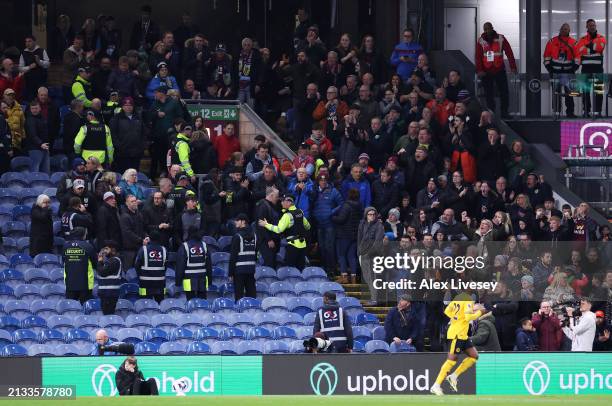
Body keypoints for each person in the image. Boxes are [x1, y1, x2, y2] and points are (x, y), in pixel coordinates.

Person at [430, 295, 483, 396]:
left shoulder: (457, 299)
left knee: (474, 356)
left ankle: (454, 376)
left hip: (463, 335)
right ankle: (436, 385)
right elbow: (468, 317)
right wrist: (480, 312)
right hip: (456, 334)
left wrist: (456, 317)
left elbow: (447, 311)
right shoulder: (468, 300)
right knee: (451, 360)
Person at [475, 22, 517, 119]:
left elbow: (509, 52)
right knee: (489, 93)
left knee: (504, 92)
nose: (487, 31)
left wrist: (513, 67)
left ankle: (504, 112)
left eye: (488, 28)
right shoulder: (480, 41)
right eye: (485, 29)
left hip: (499, 69)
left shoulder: (501, 38)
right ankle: (491, 113)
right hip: (486, 71)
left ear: (492, 28)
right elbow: (478, 57)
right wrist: (480, 70)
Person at [259, 195, 311, 270]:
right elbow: (308, 226)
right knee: (300, 271)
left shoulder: (287, 216)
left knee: (289, 271)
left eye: (283, 201)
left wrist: (266, 225)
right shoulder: (300, 212)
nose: (281, 203)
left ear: (289, 202)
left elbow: (279, 230)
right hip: (303, 245)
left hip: (293, 246)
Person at [543, 23, 579, 117]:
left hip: (568, 72)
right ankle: (556, 112)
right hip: (555, 72)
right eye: (563, 29)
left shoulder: (574, 42)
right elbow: (546, 56)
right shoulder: (552, 41)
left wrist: (574, 68)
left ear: (569, 30)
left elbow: (578, 58)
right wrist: (549, 68)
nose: (564, 30)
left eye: (566, 29)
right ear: (560, 30)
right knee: (556, 93)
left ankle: (570, 113)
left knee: (570, 94)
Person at [577, 19, 606, 116]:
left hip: (598, 69)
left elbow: (600, 47)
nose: (592, 27)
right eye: (590, 25)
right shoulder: (582, 39)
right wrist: (593, 48)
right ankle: (586, 111)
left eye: (593, 25)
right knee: (585, 91)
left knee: (599, 91)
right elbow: (580, 50)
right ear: (587, 27)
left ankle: (598, 112)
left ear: (595, 26)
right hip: (585, 69)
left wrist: (587, 48)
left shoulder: (601, 37)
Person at [175, 227, 211, 300]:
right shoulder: (204, 245)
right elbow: (209, 264)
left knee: (190, 301)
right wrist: (210, 280)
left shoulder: (184, 246)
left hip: (189, 278)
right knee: (202, 302)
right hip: (202, 277)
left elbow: (180, 265)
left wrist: (178, 281)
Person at [109, 97, 144, 174]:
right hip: (121, 153)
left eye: (130, 105)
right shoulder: (116, 119)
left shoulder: (138, 117)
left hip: (136, 153)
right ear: (122, 106)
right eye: (126, 105)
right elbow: (113, 135)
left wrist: (141, 147)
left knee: (134, 174)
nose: (128, 107)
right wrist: (119, 147)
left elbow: (143, 133)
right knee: (122, 175)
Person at [62, 227, 96, 304]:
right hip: (85, 283)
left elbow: (63, 261)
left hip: (70, 283)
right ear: (83, 235)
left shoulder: (65, 246)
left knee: (71, 308)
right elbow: (95, 263)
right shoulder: (88, 246)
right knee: (85, 307)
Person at [229, 214, 258, 300]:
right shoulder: (255, 236)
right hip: (251, 270)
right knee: (252, 295)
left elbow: (233, 257)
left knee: (239, 296)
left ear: (243, 222)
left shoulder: (237, 236)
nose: (235, 222)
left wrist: (230, 273)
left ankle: (240, 312)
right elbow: (255, 254)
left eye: (237, 220)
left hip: (239, 271)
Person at [134, 230, 167, 303]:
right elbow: (165, 266)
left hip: (145, 283)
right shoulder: (164, 250)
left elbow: (136, 265)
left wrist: (141, 275)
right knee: (160, 304)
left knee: (145, 305)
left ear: (150, 238)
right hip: (160, 283)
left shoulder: (143, 249)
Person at [254, 187, 281, 268]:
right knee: (269, 263)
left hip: (273, 240)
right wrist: (269, 239)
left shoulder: (271, 205)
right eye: (276, 196)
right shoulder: (263, 205)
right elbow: (261, 225)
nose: (277, 198)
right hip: (266, 241)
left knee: (272, 262)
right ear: (271, 195)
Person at [19, 35, 50, 101]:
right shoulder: (23, 53)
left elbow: (47, 64)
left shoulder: (41, 51)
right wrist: (29, 67)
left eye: (29, 41)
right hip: (29, 82)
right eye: (26, 42)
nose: (27, 43)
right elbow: (20, 68)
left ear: (34, 42)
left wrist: (39, 62)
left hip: (41, 80)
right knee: (31, 100)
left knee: (42, 99)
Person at [120, 194, 146, 269]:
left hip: (139, 247)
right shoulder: (125, 216)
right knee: (129, 272)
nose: (134, 203)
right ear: (127, 203)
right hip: (129, 250)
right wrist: (141, 240)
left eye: (135, 201)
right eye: (132, 201)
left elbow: (142, 229)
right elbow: (128, 233)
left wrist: (146, 237)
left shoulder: (139, 215)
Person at [24, 100, 50, 173]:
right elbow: (32, 134)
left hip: (45, 147)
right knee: (35, 171)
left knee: (46, 171)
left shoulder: (42, 118)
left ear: (40, 108)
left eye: (36, 108)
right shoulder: (30, 120)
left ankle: (46, 184)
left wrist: (45, 144)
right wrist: (40, 144)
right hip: (34, 149)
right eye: (32, 108)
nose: (34, 110)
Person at [96, 241, 122, 315]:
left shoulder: (115, 260)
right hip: (105, 293)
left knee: (108, 313)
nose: (104, 251)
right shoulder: (107, 261)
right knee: (105, 313)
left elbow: (103, 272)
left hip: (110, 293)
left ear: (113, 250)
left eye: (106, 249)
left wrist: (100, 261)